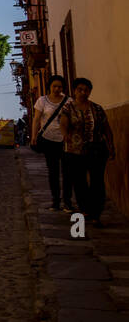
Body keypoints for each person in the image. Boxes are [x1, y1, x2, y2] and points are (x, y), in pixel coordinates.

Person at [59, 78, 116, 228]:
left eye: (86, 90)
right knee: (80, 182)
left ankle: (96, 214)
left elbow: (106, 128)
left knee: (97, 182)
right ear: (75, 91)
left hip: (97, 150)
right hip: (75, 151)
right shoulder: (68, 108)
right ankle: (85, 209)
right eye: (80, 89)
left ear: (90, 91)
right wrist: (66, 135)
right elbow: (63, 123)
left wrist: (111, 146)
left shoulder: (97, 109)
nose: (83, 92)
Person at [32, 75, 71, 211]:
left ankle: (68, 202)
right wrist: (33, 136)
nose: (56, 89)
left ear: (63, 88)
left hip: (65, 140)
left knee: (67, 172)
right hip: (48, 140)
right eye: (54, 86)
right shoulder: (42, 101)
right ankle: (55, 201)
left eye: (59, 86)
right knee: (53, 172)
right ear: (50, 86)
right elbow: (36, 119)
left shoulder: (68, 101)